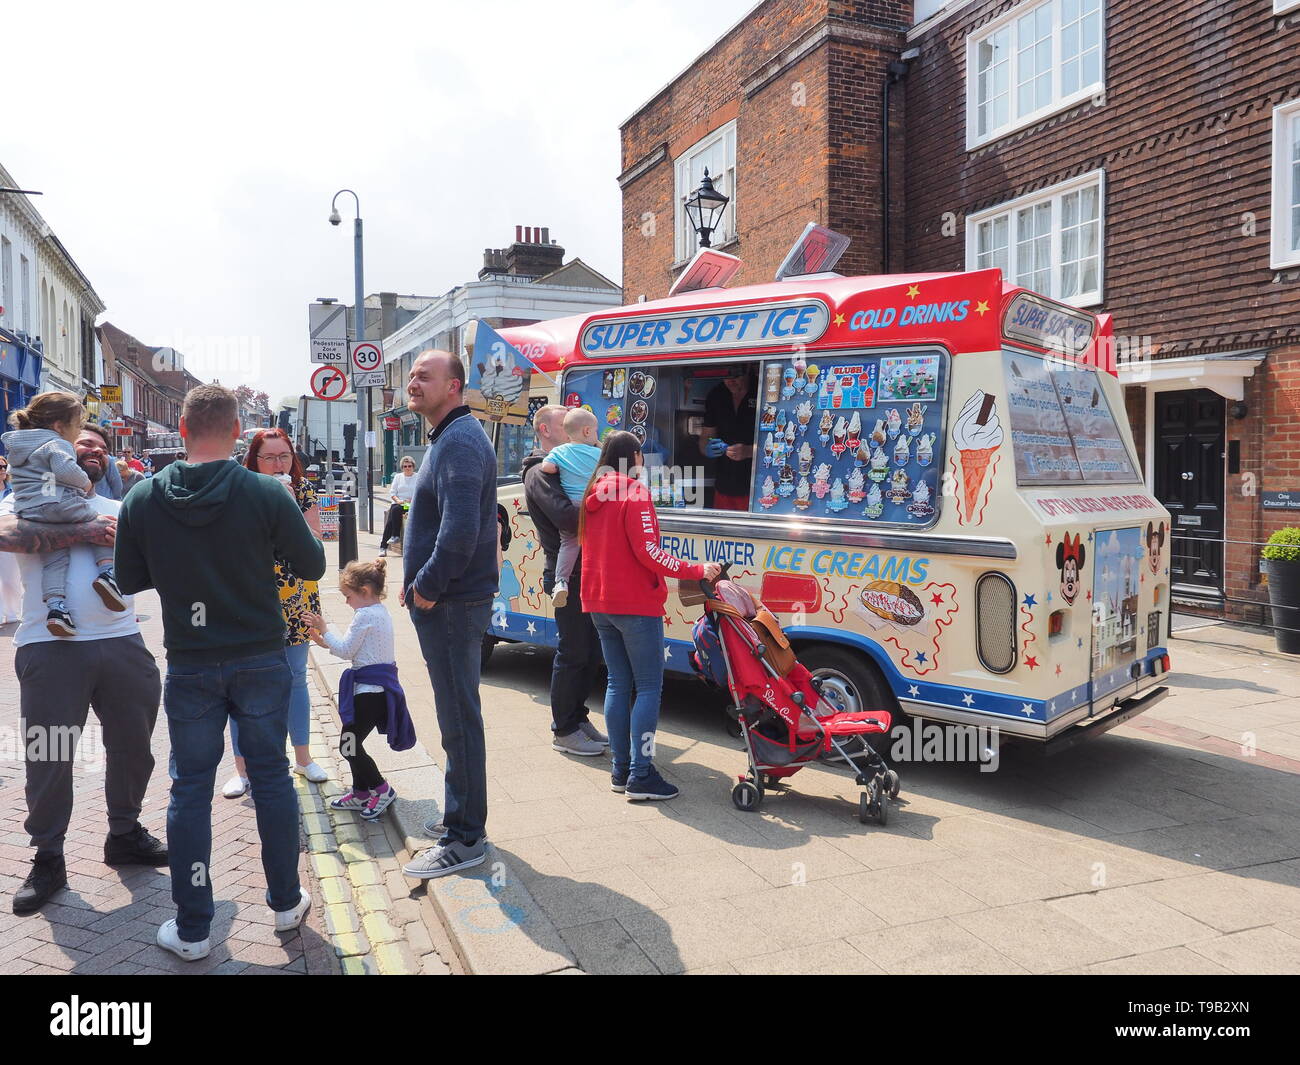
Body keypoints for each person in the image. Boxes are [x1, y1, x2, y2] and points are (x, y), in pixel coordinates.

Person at [114, 384, 326, 961]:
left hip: (190, 663)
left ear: (181, 431)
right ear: (238, 432)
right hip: (260, 656)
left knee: (189, 789)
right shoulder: (264, 491)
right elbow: (312, 564)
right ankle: (285, 902)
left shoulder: (142, 498)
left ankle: (192, 928)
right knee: (273, 775)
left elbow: (128, 580)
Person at [0, 422, 167, 916]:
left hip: (122, 643)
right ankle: (49, 857)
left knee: (134, 749)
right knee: (48, 758)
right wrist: (82, 532)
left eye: (99, 445)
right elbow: (5, 534)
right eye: (81, 443)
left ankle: (125, 834)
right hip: (49, 649)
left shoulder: (122, 508)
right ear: (58, 455)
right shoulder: (25, 503)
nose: (91, 449)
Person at [397, 350, 497, 880]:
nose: (413, 382)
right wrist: (415, 584)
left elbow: (459, 533)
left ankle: (466, 838)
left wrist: (428, 588)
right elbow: (441, 526)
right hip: (448, 599)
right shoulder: (449, 436)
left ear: (454, 385)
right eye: (411, 375)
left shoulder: (458, 440)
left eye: (424, 376)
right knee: (456, 717)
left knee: (458, 720)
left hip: (455, 604)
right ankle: (461, 817)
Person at [580, 430, 720, 800]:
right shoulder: (634, 492)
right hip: (635, 605)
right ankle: (641, 776)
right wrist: (696, 570)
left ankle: (620, 770)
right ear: (635, 457)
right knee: (648, 688)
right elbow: (649, 554)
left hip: (599, 603)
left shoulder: (595, 492)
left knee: (617, 684)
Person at [220, 428, 329, 798]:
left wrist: (288, 506)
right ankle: (242, 769)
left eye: (285, 456)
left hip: (297, 598)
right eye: (270, 457)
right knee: (242, 684)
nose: (279, 464)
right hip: (251, 598)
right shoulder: (238, 491)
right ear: (254, 460)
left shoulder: (302, 490)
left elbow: (316, 542)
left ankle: (303, 757)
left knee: (295, 677)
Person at [1, 392, 126, 637]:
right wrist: (83, 484)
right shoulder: (56, 442)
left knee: (55, 560)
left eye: (103, 448)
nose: (97, 451)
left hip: (33, 508)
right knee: (98, 523)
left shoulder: (22, 446)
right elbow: (62, 467)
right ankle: (107, 573)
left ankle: (57, 609)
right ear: (59, 426)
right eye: (79, 433)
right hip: (61, 501)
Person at [522, 405, 607, 758]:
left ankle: (578, 717)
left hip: (588, 568)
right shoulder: (539, 472)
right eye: (564, 423)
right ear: (545, 429)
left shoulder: (573, 459)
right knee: (573, 652)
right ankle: (564, 729)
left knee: (592, 652)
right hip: (566, 572)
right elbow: (568, 518)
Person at [303, 558, 414, 821]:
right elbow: (353, 650)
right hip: (376, 691)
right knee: (352, 743)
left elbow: (345, 650)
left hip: (369, 694)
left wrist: (324, 629)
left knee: (348, 746)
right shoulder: (379, 612)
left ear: (364, 591)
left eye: (347, 595)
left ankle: (382, 790)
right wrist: (322, 640)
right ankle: (361, 793)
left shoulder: (364, 616)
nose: (346, 602)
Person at [537, 407, 601, 609]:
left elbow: (546, 468)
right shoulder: (598, 453)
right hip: (594, 505)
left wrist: (558, 467)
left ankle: (561, 581)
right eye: (596, 431)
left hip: (572, 504)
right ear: (587, 432)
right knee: (597, 544)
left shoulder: (559, 451)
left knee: (569, 544)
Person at [698, 364, 757, 511]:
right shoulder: (716, 395)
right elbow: (705, 437)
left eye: (736, 375)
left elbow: (782, 445)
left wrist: (750, 451)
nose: (730, 380)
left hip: (757, 488)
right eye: (726, 375)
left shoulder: (762, 390)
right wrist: (707, 448)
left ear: (748, 368)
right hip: (724, 486)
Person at [378, 455, 417, 556]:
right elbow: (392, 493)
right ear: (402, 468)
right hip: (399, 503)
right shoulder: (398, 477)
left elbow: (420, 492)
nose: (407, 468)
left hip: (411, 505)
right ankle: (384, 546)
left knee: (394, 512)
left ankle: (392, 538)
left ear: (413, 467)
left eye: (409, 466)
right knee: (391, 519)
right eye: (405, 466)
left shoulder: (418, 477)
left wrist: (412, 500)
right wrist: (398, 500)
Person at [0, 453, 18, 624]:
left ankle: (11, 613)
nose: (2, 470)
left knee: (9, 579)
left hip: (7, 538)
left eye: (4, 467)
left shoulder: (12, 491)